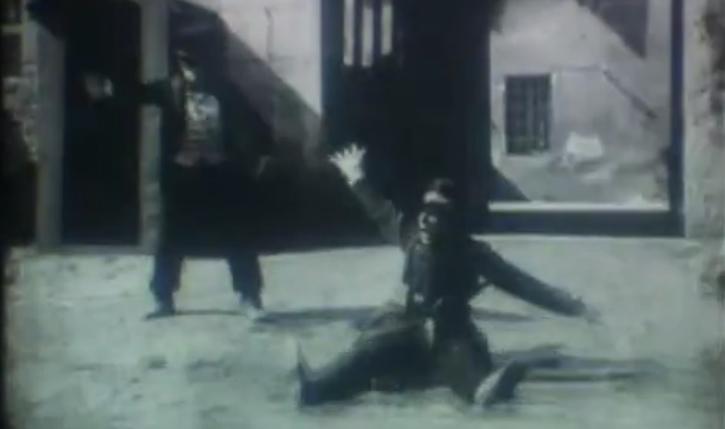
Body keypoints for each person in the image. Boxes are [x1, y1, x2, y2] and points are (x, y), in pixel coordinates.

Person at [295, 144, 599, 408]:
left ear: (452, 220)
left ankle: (487, 390)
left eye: (438, 214)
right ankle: (318, 387)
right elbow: (381, 211)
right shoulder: (412, 237)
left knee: (461, 366)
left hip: (450, 332)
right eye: (425, 210)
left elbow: (521, 284)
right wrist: (355, 176)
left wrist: (572, 305)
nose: (427, 219)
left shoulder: (472, 253)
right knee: (367, 354)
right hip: (407, 330)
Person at [143, 51, 272, 320]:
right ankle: (162, 298)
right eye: (186, 66)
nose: (192, 73)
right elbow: (137, 93)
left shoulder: (226, 91)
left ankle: (249, 296)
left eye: (196, 66)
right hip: (183, 175)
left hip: (219, 172)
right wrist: (106, 87)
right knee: (170, 237)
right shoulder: (170, 89)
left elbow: (254, 120)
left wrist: (264, 153)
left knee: (237, 233)